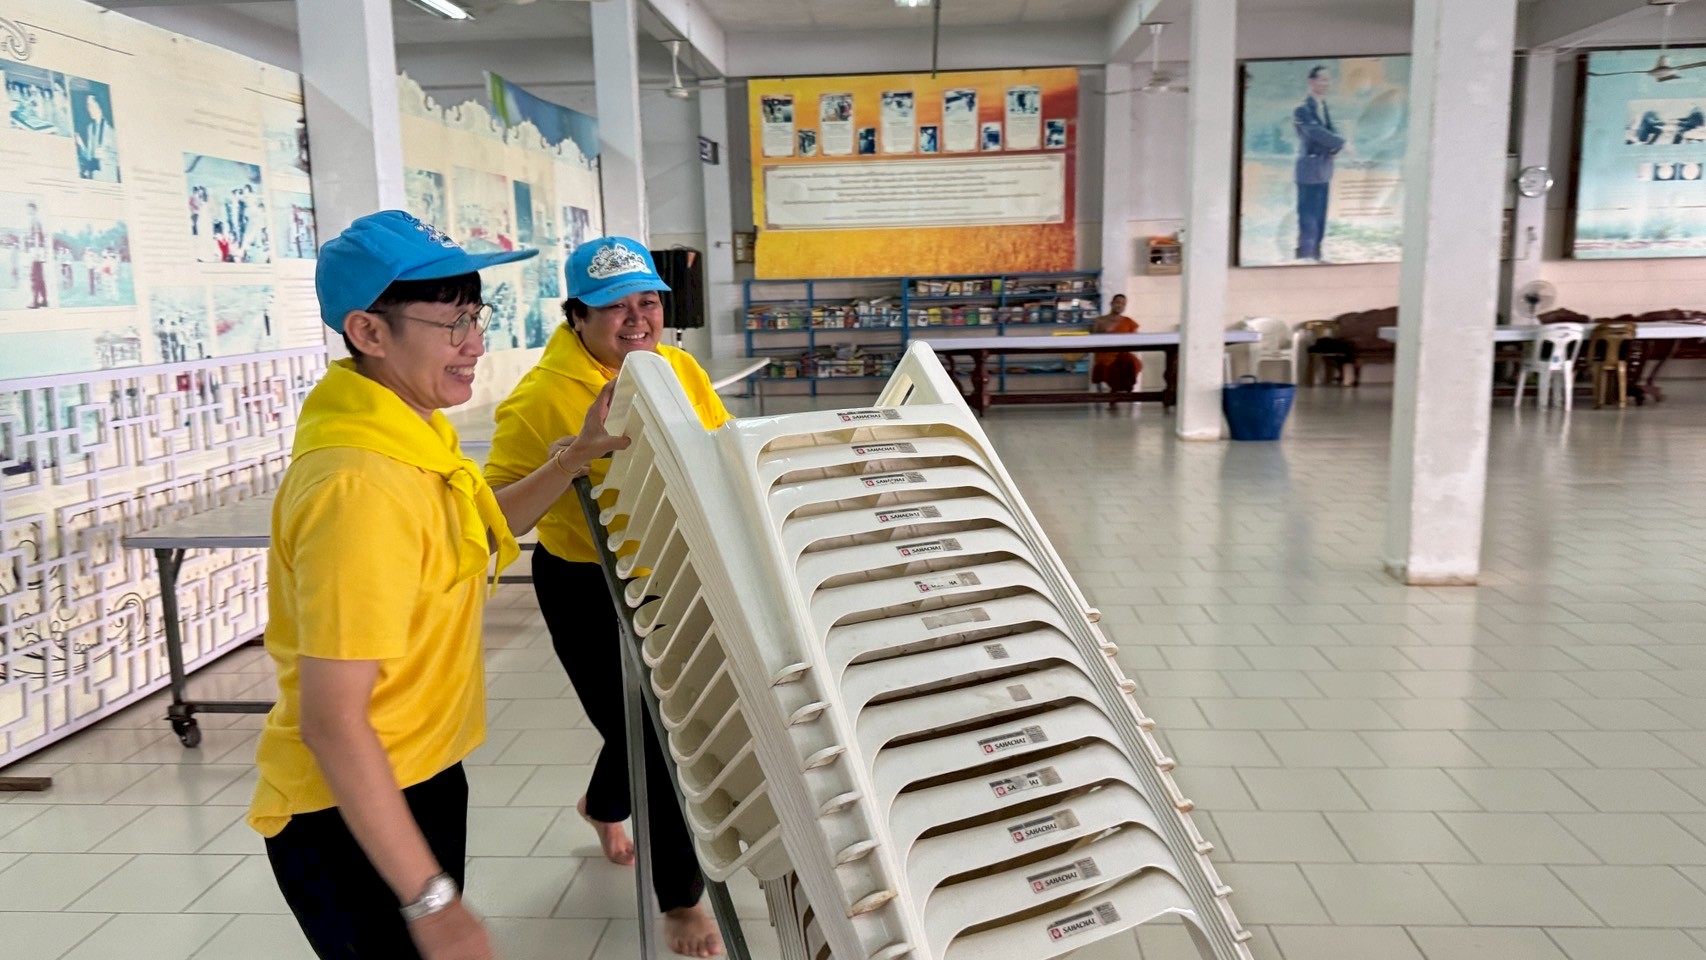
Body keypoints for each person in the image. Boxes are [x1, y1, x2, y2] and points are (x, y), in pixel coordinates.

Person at [251, 210, 626, 960]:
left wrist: (574, 457)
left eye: (477, 317)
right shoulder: (359, 487)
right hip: (350, 807)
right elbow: (333, 722)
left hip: (419, 771)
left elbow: (481, 527)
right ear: (368, 331)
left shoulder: (414, 432)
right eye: (453, 323)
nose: (475, 343)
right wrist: (431, 899)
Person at [484, 237, 732, 959]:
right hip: (588, 586)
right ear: (576, 317)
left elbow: (719, 445)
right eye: (615, 307)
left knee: (670, 730)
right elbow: (496, 512)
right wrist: (570, 459)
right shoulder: (538, 397)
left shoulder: (677, 368)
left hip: (677, 573)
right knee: (652, 742)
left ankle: (603, 803)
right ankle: (680, 899)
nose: (637, 318)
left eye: (648, 302)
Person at [1294, 66, 1344, 262]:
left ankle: (1315, 255)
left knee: (1320, 217)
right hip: (1308, 171)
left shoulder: (1323, 107)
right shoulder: (1302, 110)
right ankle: (1306, 256)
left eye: (1328, 80)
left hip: (1323, 170)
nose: (1326, 84)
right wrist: (1342, 144)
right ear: (1311, 81)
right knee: (1308, 217)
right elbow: (1315, 133)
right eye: (1322, 79)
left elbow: (1330, 132)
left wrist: (1335, 150)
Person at [1090, 293, 1141, 400]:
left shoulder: (1128, 321)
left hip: (1123, 353)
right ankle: (1115, 392)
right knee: (1115, 365)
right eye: (1118, 302)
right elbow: (1093, 340)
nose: (1120, 306)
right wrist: (1104, 334)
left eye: (1123, 304)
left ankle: (1123, 391)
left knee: (1131, 362)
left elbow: (1135, 339)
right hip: (1105, 354)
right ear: (1111, 303)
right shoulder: (1100, 321)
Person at [25, 202, 47, 309]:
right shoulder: (36, 220)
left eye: (29, 209)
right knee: (40, 276)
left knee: (34, 276)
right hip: (39, 250)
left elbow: (37, 235)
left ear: (33, 209)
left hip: (36, 250)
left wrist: (37, 252)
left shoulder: (34, 220)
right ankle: (44, 300)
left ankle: (35, 302)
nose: (27, 211)